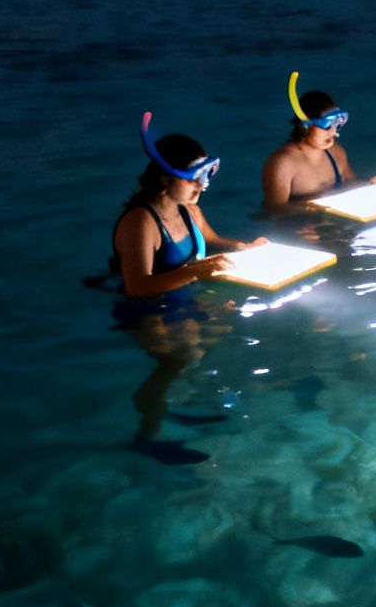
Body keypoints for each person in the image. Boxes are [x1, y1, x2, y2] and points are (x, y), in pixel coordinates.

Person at [109, 115, 265, 463]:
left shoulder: (189, 208)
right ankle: (147, 433)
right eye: (195, 178)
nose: (203, 186)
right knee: (177, 361)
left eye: (207, 175)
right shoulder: (141, 221)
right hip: (148, 309)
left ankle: (179, 404)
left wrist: (245, 247)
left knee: (217, 339)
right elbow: (136, 286)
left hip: (184, 296)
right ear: (166, 179)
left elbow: (210, 241)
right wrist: (195, 273)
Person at [262, 73, 376, 213]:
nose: (334, 133)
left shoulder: (336, 152)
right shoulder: (282, 163)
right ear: (305, 125)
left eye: (337, 124)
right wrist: (311, 206)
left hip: (337, 223)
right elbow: (273, 212)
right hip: (302, 228)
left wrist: (370, 184)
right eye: (327, 126)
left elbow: (350, 184)